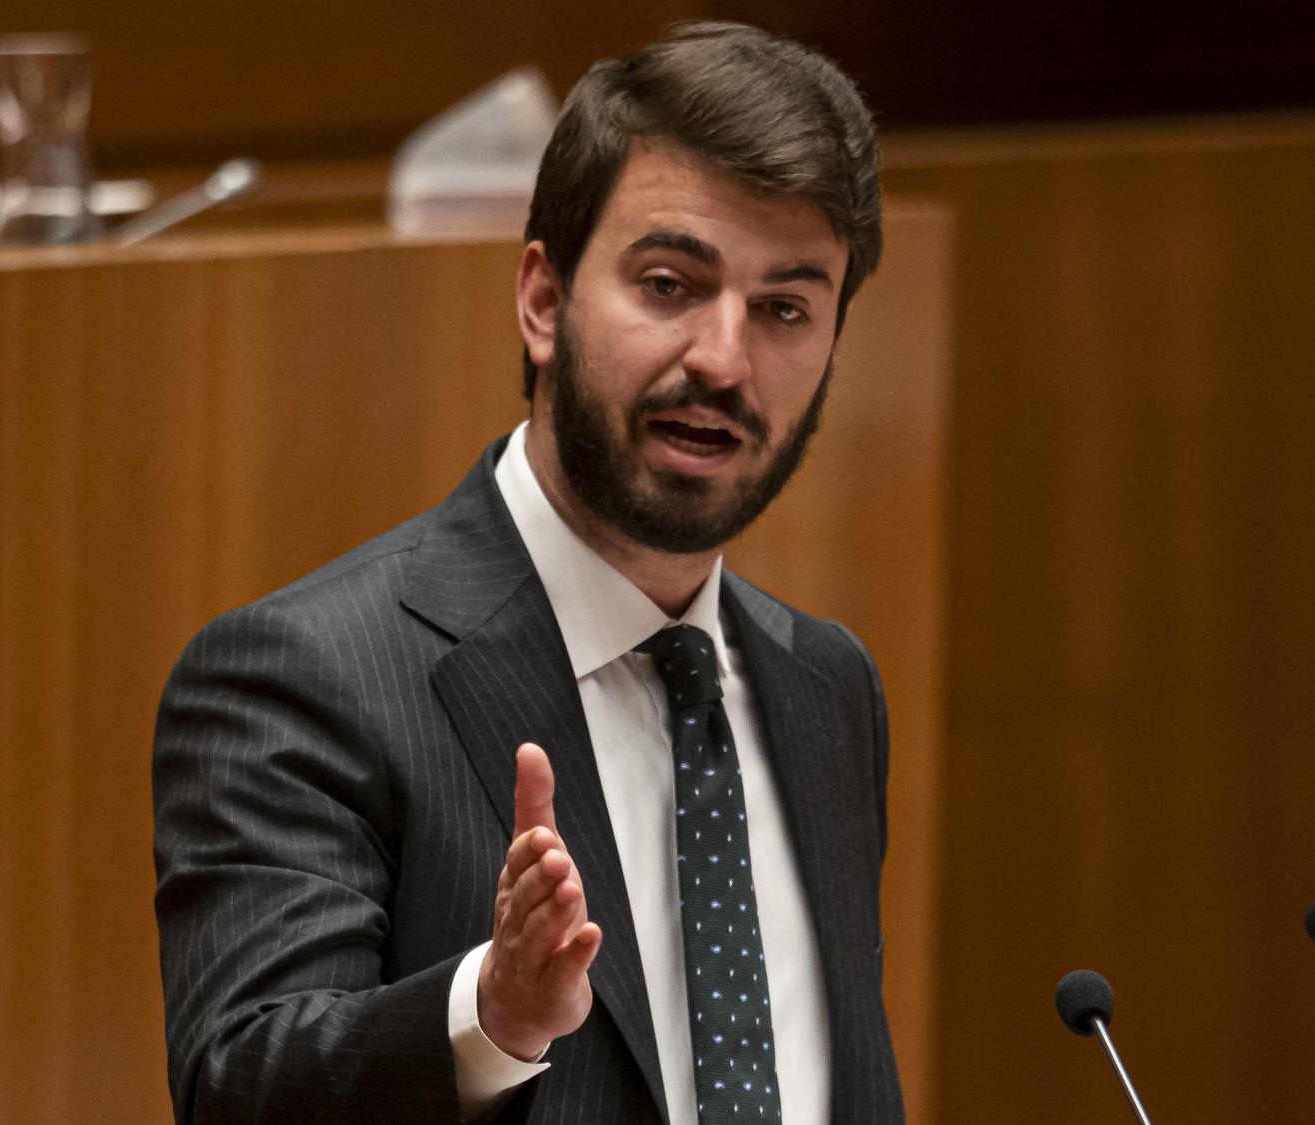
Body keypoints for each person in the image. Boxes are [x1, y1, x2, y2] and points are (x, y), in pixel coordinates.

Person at [152, 22, 903, 1125]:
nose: (723, 360)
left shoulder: (826, 686)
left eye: (784, 309)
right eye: (667, 284)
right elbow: (241, 1087)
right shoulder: (306, 675)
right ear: (542, 301)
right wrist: (488, 1018)